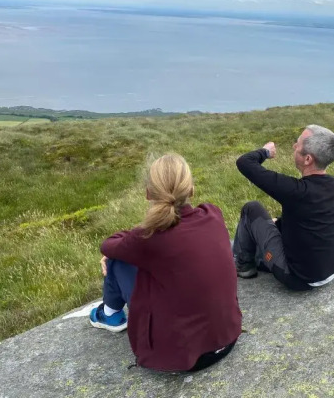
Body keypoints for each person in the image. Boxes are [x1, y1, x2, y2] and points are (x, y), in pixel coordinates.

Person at [89, 153, 242, 372]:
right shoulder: (212, 213)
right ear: (191, 189)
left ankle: (111, 314)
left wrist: (129, 242)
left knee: (117, 261)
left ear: (148, 193)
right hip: (227, 339)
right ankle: (111, 312)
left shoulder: (149, 238)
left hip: (183, 358)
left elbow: (108, 245)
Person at [232, 124, 334, 291]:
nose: (294, 146)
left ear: (308, 159)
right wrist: (279, 223)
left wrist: (265, 152)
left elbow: (244, 162)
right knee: (273, 224)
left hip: (298, 277)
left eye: (298, 144)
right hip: (330, 272)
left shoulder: (296, 192)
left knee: (252, 208)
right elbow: (310, 218)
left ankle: (243, 267)